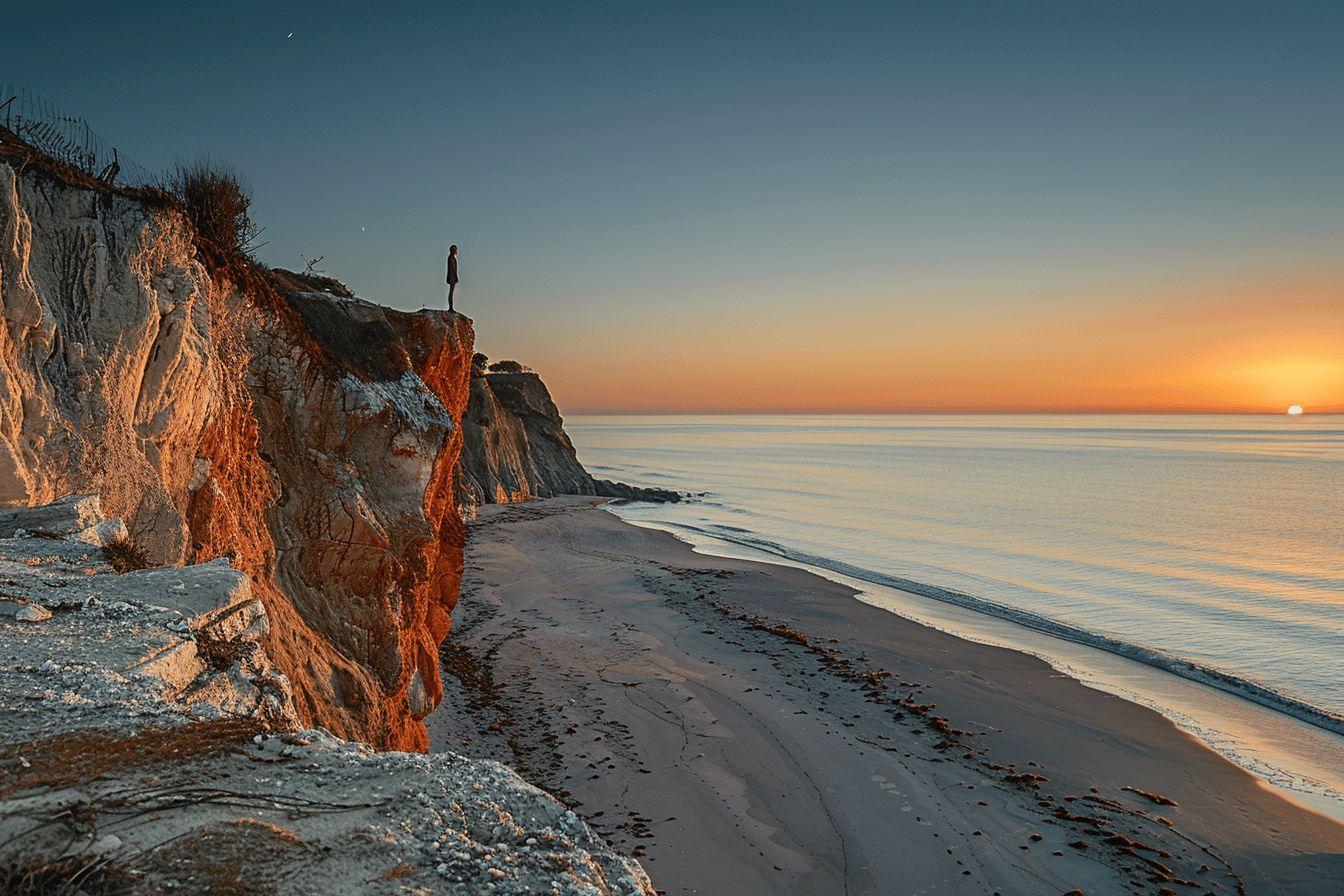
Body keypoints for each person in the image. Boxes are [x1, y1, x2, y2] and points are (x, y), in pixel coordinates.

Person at [445, 244, 459, 311]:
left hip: (452, 277)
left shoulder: (452, 258)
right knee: (451, 293)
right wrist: (455, 277)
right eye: (455, 250)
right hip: (452, 277)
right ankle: (451, 307)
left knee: (451, 293)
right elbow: (453, 269)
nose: (457, 251)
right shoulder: (451, 258)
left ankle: (451, 307)